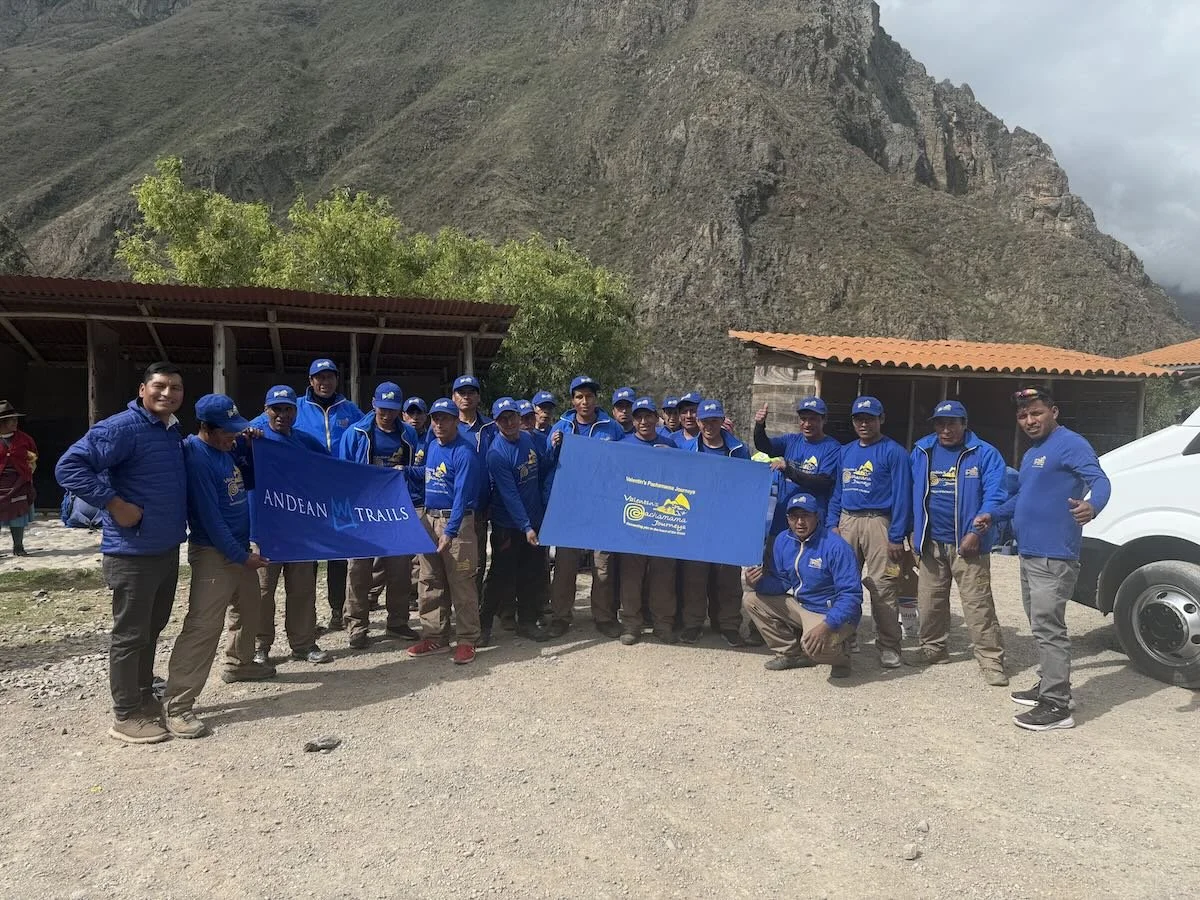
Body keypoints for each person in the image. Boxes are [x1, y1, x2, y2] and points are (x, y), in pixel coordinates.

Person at [55, 362, 188, 745]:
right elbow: (70, 466)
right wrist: (115, 504)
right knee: (131, 634)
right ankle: (126, 714)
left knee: (151, 629)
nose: (168, 394)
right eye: (160, 386)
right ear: (143, 389)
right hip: (131, 552)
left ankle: (144, 694)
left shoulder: (168, 430)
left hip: (163, 547)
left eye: (175, 388)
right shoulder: (122, 428)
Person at [975, 387, 1110, 731]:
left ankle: (1057, 706)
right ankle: (1051, 684)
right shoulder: (1035, 451)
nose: (1029, 421)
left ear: (1054, 412)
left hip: (1055, 554)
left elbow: (1101, 480)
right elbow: (1023, 496)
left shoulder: (1071, 444)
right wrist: (995, 515)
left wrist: (1093, 506)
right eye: (1023, 416)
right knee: (1040, 625)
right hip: (1031, 552)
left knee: (1050, 628)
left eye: (1036, 413)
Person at [159, 395, 273, 738]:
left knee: (249, 607)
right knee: (203, 627)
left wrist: (252, 445)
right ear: (206, 428)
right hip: (214, 553)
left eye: (236, 431)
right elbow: (210, 519)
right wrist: (241, 557)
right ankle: (177, 705)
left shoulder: (225, 451)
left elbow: (248, 481)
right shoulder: (196, 456)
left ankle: (240, 664)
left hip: (238, 548)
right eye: (227, 432)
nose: (233, 437)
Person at [908, 400, 1009, 686]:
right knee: (930, 602)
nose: (946, 429)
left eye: (952, 423)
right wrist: (912, 529)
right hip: (931, 542)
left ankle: (991, 660)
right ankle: (933, 649)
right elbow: (910, 491)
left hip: (969, 545)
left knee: (977, 605)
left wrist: (977, 532)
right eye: (940, 423)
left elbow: (995, 496)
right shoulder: (922, 451)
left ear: (965, 424)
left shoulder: (984, 454)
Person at [241, 386, 332, 667]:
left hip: (300, 531)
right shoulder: (252, 439)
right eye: (276, 409)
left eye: (288, 409)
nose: (282, 415)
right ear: (266, 410)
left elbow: (332, 469)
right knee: (263, 593)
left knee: (302, 589)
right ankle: (260, 646)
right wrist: (246, 440)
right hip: (265, 532)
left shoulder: (306, 442)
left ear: (296, 411)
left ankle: (303, 644)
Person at [826, 396, 912, 669]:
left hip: (878, 522)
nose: (864, 423)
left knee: (883, 585)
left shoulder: (893, 451)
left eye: (869, 418)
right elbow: (837, 491)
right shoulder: (846, 451)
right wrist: (832, 523)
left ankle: (889, 645)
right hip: (848, 520)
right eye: (858, 419)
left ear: (881, 419)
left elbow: (902, 496)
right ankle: (846, 636)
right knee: (843, 582)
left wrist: (897, 535)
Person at [339, 382, 424, 649]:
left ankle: (398, 621)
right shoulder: (357, 433)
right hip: (363, 510)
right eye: (383, 409)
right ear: (374, 404)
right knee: (359, 570)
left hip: (396, 509)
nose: (387, 414)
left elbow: (415, 468)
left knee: (399, 568)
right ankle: (356, 625)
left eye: (393, 410)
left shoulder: (408, 434)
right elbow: (341, 472)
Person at [743, 493, 863, 676]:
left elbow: (851, 596)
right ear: (787, 519)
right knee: (751, 599)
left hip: (829, 613)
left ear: (817, 516)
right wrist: (758, 583)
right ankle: (790, 653)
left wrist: (827, 625)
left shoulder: (835, 546)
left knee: (814, 648)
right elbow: (782, 582)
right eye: (794, 516)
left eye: (805, 516)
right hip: (803, 607)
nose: (800, 522)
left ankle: (842, 657)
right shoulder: (783, 540)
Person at [546, 375, 626, 637]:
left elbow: (621, 465)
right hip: (569, 506)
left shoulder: (611, 427)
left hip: (602, 506)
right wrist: (553, 446)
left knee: (602, 566)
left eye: (589, 396)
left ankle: (603, 617)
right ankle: (560, 616)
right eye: (579, 396)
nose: (584, 401)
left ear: (596, 399)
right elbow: (548, 464)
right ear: (572, 400)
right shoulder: (561, 426)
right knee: (565, 565)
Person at [409, 398, 484, 664]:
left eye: (445, 419)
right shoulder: (431, 446)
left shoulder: (464, 452)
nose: (439, 423)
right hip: (429, 519)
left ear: (455, 421)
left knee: (462, 582)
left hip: (457, 523)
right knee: (429, 580)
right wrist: (403, 472)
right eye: (436, 418)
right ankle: (435, 637)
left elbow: (462, 495)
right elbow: (429, 474)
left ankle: (467, 639)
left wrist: (449, 532)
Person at [294, 358, 364, 632]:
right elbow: (264, 422)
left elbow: (370, 429)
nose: (324, 382)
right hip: (307, 493)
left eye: (330, 377)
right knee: (308, 557)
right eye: (319, 378)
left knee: (339, 554)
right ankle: (307, 618)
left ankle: (338, 610)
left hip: (340, 493)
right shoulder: (296, 407)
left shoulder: (350, 410)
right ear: (310, 381)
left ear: (337, 380)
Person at [479, 397, 552, 646]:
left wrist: (556, 449)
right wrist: (525, 527)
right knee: (500, 575)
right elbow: (509, 495)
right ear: (496, 422)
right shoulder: (496, 454)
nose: (509, 422)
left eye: (512, 417)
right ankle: (484, 624)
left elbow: (541, 469)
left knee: (531, 573)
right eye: (502, 419)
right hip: (508, 526)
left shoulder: (528, 439)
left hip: (532, 521)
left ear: (519, 418)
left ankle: (527, 622)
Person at [679, 400, 749, 645]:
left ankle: (728, 624)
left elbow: (747, 486)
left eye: (714, 420)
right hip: (696, 523)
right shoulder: (687, 450)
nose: (709, 426)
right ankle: (693, 623)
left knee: (728, 578)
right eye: (705, 421)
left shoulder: (739, 449)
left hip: (727, 523)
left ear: (722, 421)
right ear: (697, 422)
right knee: (694, 577)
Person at [619, 398, 679, 644]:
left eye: (648, 416)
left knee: (663, 575)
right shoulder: (622, 446)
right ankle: (631, 625)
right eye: (638, 417)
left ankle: (663, 624)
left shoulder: (669, 444)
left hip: (662, 520)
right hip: (633, 520)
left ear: (657, 418)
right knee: (631, 576)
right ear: (633, 421)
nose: (644, 422)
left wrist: (673, 457)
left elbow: (681, 481)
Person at [752, 396, 842, 525]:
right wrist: (760, 426)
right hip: (784, 516)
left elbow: (822, 482)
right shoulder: (791, 440)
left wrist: (788, 469)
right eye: (803, 419)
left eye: (813, 419)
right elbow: (764, 446)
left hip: (811, 520)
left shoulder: (833, 448)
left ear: (824, 420)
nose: (807, 424)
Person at [0, 401, 37, 557]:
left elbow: (33, 456)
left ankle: (18, 546)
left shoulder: (24, 439)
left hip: (19, 482)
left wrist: (29, 469)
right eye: (12, 420)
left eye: (16, 419)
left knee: (18, 515)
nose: (15, 422)